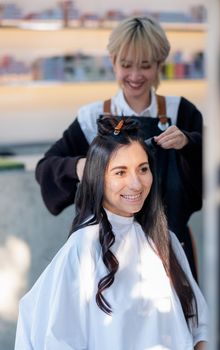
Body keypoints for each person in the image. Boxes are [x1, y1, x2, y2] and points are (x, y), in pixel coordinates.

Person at [15, 116, 208, 350]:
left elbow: (199, 325)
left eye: (142, 169)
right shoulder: (83, 248)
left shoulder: (166, 239)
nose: (136, 184)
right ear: (99, 178)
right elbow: (58, 340)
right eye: (120, 172)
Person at [35, 15, 203, 280]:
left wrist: (189, 144)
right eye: (126, 65)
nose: (135, 76)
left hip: (168, 251)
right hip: (106, 256)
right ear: (112, 62)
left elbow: (212, 173)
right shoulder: (92, 118)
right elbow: (46, 168)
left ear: (159, 64)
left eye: (145, 66)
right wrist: (78, 166)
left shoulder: (180, 112)